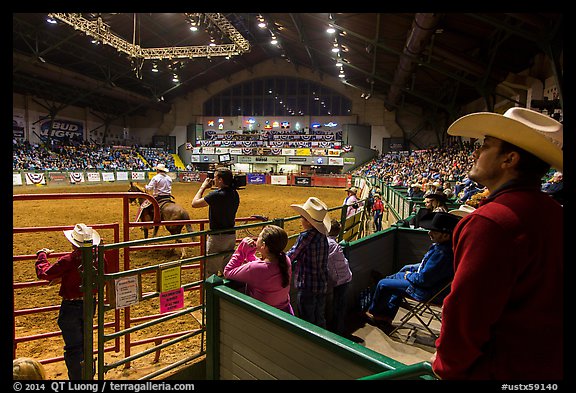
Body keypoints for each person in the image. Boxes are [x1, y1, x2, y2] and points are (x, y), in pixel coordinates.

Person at [432, 107, 563, 380]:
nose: (476, 153)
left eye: (486, 146)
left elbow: (466, 314)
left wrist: (446, 368)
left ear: (509, 159)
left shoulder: (491, 222)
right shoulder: (553, 211)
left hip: (498, 366)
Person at [365, 212, 460, 333]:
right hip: (433, 287)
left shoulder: (442, 253)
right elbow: (429, 270)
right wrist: (411, 269)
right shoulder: (445, 247)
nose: (429, 233)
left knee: (383, 283)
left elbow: (423, 279)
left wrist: (408, 275)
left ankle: (378, 316)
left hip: (426, 291)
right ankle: (386, 314)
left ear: (445, 235)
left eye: (434, 231)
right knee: (395, 277)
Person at [35, 223, 107, 380]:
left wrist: (42, 256)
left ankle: (78, 380)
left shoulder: (68, 260)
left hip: (71, 307)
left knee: (74, 347)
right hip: (90, 304)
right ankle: (89, 375)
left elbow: (45, 273)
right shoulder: (99, 257)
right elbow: (101, 277)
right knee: (87, 342)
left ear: (74, 242)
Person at [223, 225, 294, 315]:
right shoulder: (285, 260)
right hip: (284, 313)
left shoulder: (255, 268)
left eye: (259, 237)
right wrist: (250, 256)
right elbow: (264, 269)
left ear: (264, 245)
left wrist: (241, 250)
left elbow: (228, 272)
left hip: (263, 316)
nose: (257, 238)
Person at [287, 196, 331, 328]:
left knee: (307, 321)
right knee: (319, 317)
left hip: (307, 285)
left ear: (307, 221)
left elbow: (291, 256)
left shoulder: (305, 237)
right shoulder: (323, 236)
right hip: (321, 283)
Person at [191, 167, 240, 278]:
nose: (213, 179)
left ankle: (209, 295)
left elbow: (194, 203)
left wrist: (202, 187)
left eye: (215, 177)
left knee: (210, 272)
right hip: (231, 236)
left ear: (220, 180)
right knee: (227, 270)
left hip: (217, 238)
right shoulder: (234, 193)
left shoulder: (217, 195)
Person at [326, 219, 352, 336]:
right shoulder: (334, 244)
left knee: (338, 306)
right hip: (343, 277)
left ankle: (338, 332)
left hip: (340, 279)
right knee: (339, 305)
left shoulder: (329, 243)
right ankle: (338, 329)